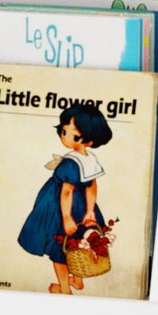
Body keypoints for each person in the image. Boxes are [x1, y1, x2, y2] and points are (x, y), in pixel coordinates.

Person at [16, 102, 113, 294]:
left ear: (89, 141)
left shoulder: (70, 163)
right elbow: (92, 186)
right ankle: (78, 281)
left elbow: (66, 192)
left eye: (73, 135)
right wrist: (90, 211)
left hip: (60, 208)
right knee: (77, 245)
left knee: (60, 250)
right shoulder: (90, 159)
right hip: (83, 207)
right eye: (63, 131)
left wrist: (67, 218)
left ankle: (64, 288)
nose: (65, 137)